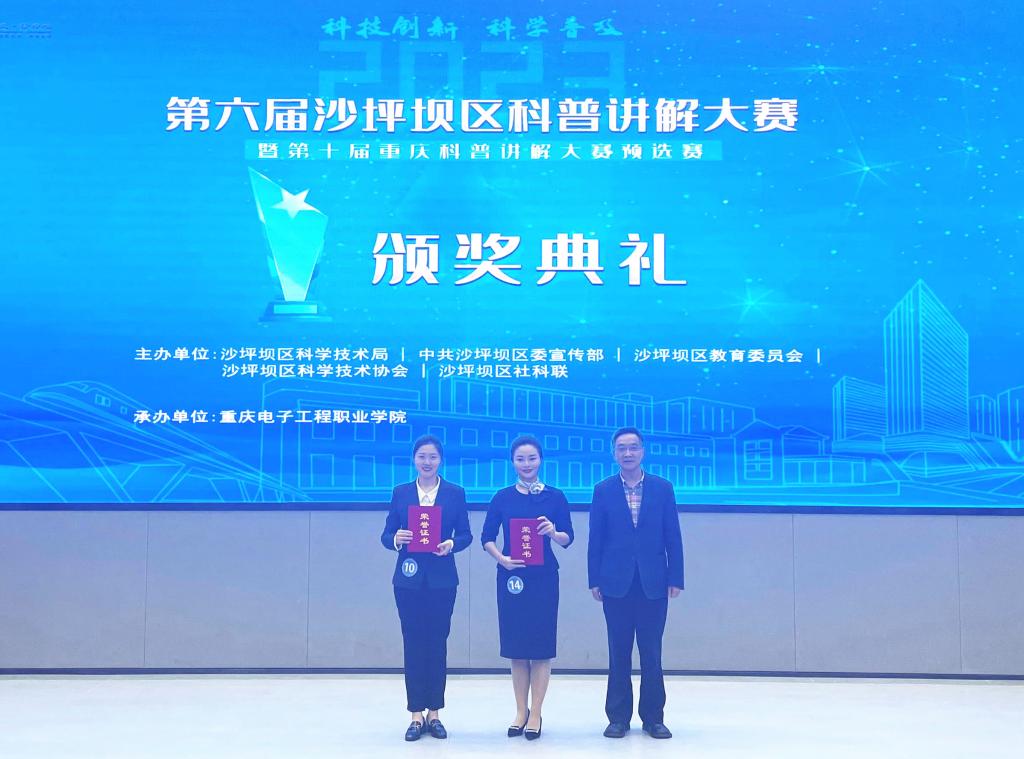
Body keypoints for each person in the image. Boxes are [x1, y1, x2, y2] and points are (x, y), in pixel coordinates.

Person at [587, 426, 684, 740]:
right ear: (614, 453)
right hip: (614, 582)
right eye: (621, 448)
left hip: (654, 582)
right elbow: (595, 539)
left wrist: (676, 576)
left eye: (633, 447)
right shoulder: (603, 490)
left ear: (642, 451)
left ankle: (654, 718)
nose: (627, 453)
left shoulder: (662, 488)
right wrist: (594, 579)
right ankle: (618, 718)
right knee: (618, 652)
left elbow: (673, 535)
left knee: (651, 653)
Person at [481, 435, 574, 741]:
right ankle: (520, 711)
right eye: (520, 459)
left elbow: (568, 538)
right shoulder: (502, 497)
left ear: (541, 460)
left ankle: (536, 713)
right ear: (512, 462)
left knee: (541, 648)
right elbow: (486, 538)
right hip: (512, 579)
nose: (526, 464)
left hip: (544, 578)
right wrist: (502, 559)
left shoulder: (555, 497)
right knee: (517, 649)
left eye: (532, 458)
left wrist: (553, 532)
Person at [381, 434, 472, 742]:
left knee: (437, 644)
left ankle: (435, 713)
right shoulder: (402, 492)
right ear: (414, 459)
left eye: (433, 456)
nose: (427, 462)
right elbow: (386, 534)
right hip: (408, 580)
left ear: (440, 460)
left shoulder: (455, 493)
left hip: (442, 580)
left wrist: (451, 544)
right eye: (422, 456)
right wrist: (397, 539)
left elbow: (466, 535)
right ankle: (415, 715)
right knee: (413, 643)